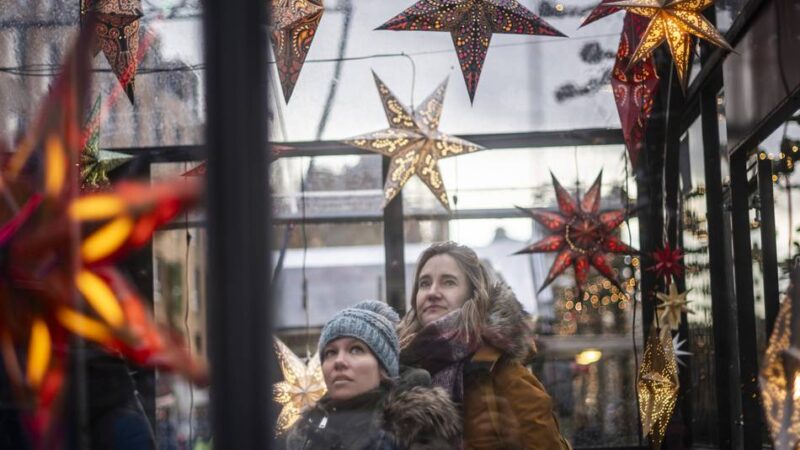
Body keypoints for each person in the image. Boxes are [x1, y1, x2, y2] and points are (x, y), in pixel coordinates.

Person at [398, 241, 570, 450]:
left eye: (448, 282)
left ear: (473, 295)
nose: (432, 292)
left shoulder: (501, 374)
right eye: (424, 283)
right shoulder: (397, 365)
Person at [285, 301, 460, 450]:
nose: (339, 361)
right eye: (330, 353)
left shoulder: (416, 433)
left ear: (383, 368)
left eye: (356, 350)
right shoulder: (308, 435)